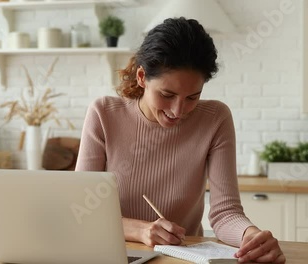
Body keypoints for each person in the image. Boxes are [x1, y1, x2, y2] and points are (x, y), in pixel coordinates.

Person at [75, 17, 285, 263]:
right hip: (113, 257)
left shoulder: (215, 119)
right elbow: (81, 210)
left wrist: (252, 236)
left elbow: (225, 213)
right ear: (142, 77)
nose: (178, 110)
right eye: (167, 94)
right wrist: (141, 230)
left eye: (192, 97)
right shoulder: (104, 114)